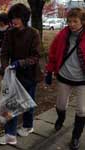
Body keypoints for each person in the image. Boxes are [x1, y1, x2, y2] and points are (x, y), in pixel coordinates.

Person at [0, 3, 41, 145]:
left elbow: (35, 56)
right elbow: (4, 53)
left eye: (17, 18)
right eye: (12, 18)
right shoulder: (9, 33)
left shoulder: (34, 33)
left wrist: (20, 63)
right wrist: (4, 67)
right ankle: (10, 134)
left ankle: (28, 126)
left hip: (30, 75)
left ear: (24, 18)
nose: (14, 21)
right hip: (14, 76)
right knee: (12, 104)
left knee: (28, 103)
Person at [45, 8, 85, 150]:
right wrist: (49, 71)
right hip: (64, 75)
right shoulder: (63, 34)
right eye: (69, 21)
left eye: (75, 21)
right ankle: (60, 118)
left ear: (83, 22)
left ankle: (75, 136)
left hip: (82, 80)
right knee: (61, 105)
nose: (72, 24)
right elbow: (53, 52)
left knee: (82, 110)